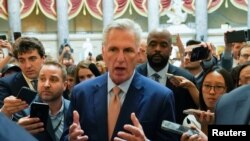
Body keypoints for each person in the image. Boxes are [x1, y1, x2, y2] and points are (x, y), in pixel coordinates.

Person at [61, 18, 178, 141]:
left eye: (128, 50)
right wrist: (70, 139)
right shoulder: (81, 93)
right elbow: (65, 136)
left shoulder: (160, 97)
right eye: (113, 50)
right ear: (103, 52)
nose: (120, 58)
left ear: (138, 54)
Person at [136, 28, 197, 124]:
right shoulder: (133, 75)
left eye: (163, 45)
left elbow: (192, 117)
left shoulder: (186, 79)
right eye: (153, 44)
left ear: (171, 50)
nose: (157, 49)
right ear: (146, 48)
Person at [17, 60, 70, 141]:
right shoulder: (23, 109)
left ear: (64, 85)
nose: (46, 85)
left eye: (53, 79)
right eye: (42, 79)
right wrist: (16, 131)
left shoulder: (73, 108)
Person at [0, 37, 45, 119]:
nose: (27, 66)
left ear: (43, 58)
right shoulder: (6, 84)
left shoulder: (55, 80)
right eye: (22, 60)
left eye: (32, 59)